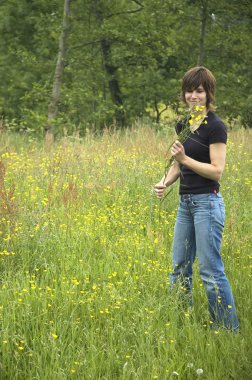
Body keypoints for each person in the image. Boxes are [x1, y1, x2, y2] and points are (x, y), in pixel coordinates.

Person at [154, 66, 239, 331]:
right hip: (185, 205)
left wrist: (184, 159)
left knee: (210, 272)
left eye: (199, 91)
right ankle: (180, 322)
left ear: (208, 93)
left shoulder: (215, 127)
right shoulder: (183, 125)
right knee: (179, 267)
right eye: (189, 91)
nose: (193, 96)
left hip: (208, 204)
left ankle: (226, 329)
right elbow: (178, 165)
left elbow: (216, 171)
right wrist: (164, 182)